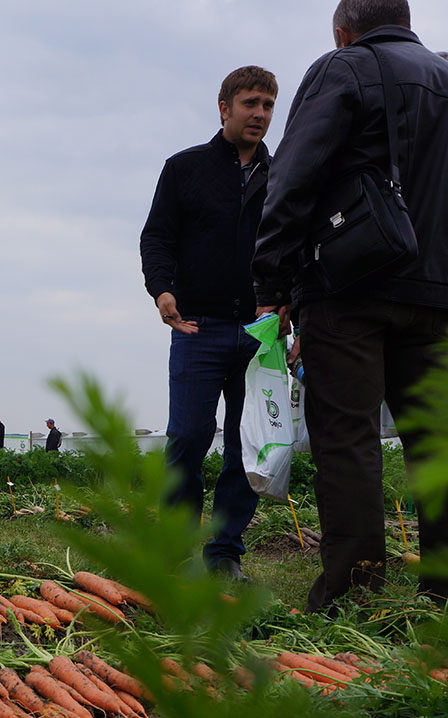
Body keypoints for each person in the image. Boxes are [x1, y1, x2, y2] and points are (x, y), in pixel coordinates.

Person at [251, 0, 448, 611]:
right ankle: (441, 593)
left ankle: (355, 596)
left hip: (350, 290)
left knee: (349, 440)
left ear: (344, 29)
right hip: (437, 295)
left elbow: (293, 178)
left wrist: (273, 286)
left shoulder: (344, 69)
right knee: (437, 442)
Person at [140, 65, 278, 583]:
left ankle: (223, 556)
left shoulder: (284, 174)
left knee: (246, 446)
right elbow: (156, 237)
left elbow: (295, 250)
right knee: (188, 438)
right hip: (197, 326)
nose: (260, 114)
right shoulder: (185, 168)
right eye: (250, 103)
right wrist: (163, 290)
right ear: (224, 108)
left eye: (267, 105)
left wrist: (286, 305)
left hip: (260, 333)